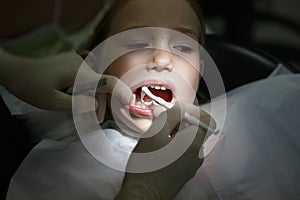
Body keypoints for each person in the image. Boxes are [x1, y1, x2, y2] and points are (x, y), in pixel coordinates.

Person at [4, 0, 215, 199]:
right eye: (137, 43)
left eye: (183, 47)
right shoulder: (61, 169)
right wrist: (144, 192)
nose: (162, 59)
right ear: (93, 67)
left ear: (200, 73)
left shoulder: (234, 143)